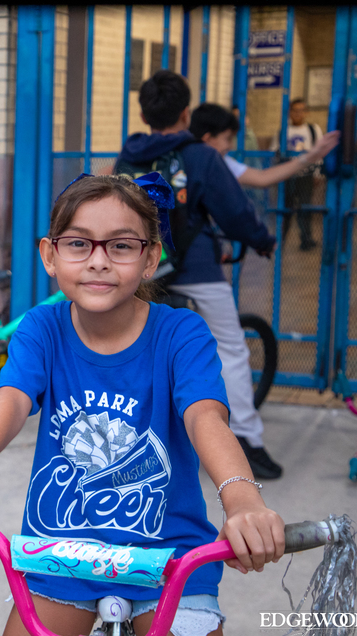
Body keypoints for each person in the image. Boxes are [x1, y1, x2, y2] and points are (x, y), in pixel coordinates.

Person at [0, 174, 285, 636]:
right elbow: (9, 402)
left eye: (120, 245)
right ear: (49, 254)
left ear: (150, 257)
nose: (97, 260)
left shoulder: (181, 333)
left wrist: (243, 501)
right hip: (61, 551)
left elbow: (206, 416)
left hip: (171, 557)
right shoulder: (41, 330)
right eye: (77, 243)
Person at [114, 70, 283, 480]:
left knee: (136, 347)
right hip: (196, 268)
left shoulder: (128, 157)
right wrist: (261, 239)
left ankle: (135, 439)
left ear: (143, 112)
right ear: (186, 113)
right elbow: (235, 211)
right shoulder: (202, 155)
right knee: (229, 347)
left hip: (139, 269)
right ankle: (246, 440)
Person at [193, 102, 339, 190]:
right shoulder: (183, 162)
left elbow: (261, 178)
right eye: (227, 139)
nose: (230, 146)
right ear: (208, 139)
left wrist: (310, 157)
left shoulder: (220, 162)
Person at [270, 99, 325, 251]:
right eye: (295, 110)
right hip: (287, 176)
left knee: (304, 207)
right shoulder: (283, 131)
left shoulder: (313, 130)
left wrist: (317, 174)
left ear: (306, 112)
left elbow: (319, 153)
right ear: (289, 113)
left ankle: (306, 239)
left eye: (301, 110)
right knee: (285, 209)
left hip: (305, 175)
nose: (298, 114)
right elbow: (274, 152)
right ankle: (281, 240)